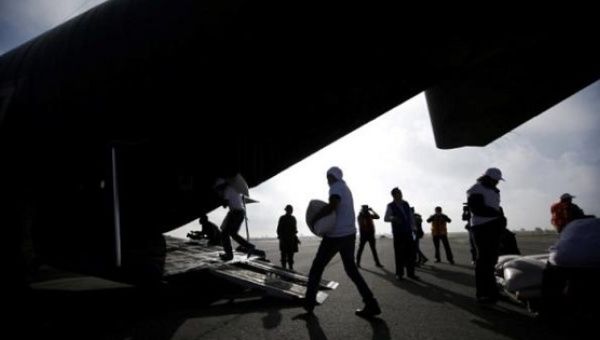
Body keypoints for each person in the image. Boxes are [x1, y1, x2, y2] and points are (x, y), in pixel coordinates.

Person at [304, 166, 381, 317]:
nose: (327, 180)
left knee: (316, 268)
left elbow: (333, 204)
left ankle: (309, 305)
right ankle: (371, 304)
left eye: (329, 177)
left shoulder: (336, 187)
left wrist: (316, 217)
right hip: (349, 235)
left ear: (333, 177)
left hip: (335, 236)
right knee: (352, 270)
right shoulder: (345, 187)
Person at [466, 167, 507, 303]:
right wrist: (497, 215)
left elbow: (496, 208)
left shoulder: (493, 190)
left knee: (491, 262)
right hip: (481, 228)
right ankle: (483, 293)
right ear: (488, 178)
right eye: (495, 180)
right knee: (483, 261)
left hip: (493, 228)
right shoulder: (476, 189)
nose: (497, 183)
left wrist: (500, 219)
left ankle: (492, 289)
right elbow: (476, 209)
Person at [214, 178, 256, 261]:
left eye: (218, 188)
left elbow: (225, 205)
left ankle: (229, 255)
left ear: (221, 186)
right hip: (239, 213)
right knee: (233, 234)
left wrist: (221, 197)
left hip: (235, 213)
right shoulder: (234, 189)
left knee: (224, 234)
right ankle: (250, 247)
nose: (218, 190)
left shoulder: (227, 191)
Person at [384, 187, 418, 280]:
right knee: (399, 254)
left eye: (401, 193)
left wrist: (414, 227)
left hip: (408, 231)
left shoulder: (406, 203)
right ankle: (399, 274)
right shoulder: (390, 205)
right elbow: (386, 218)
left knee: (410, 254)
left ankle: (411, 273)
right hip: (398, 233)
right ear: (394, 195)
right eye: (398, 193)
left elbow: (410, 216)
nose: (401, 194)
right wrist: (393, 218)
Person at [277, 204, 300, 271]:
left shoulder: (293, 218)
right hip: (285, 240)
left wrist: (296, 239)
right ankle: (285, 268)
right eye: (289, 210)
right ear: (287, 210)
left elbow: (294, 230)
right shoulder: (283, 218)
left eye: (291, 210)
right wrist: (281, 237)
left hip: (290, 240)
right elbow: (279, 229)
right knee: (284, 256)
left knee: (290, 256)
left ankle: (290, 268)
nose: (290, 211)